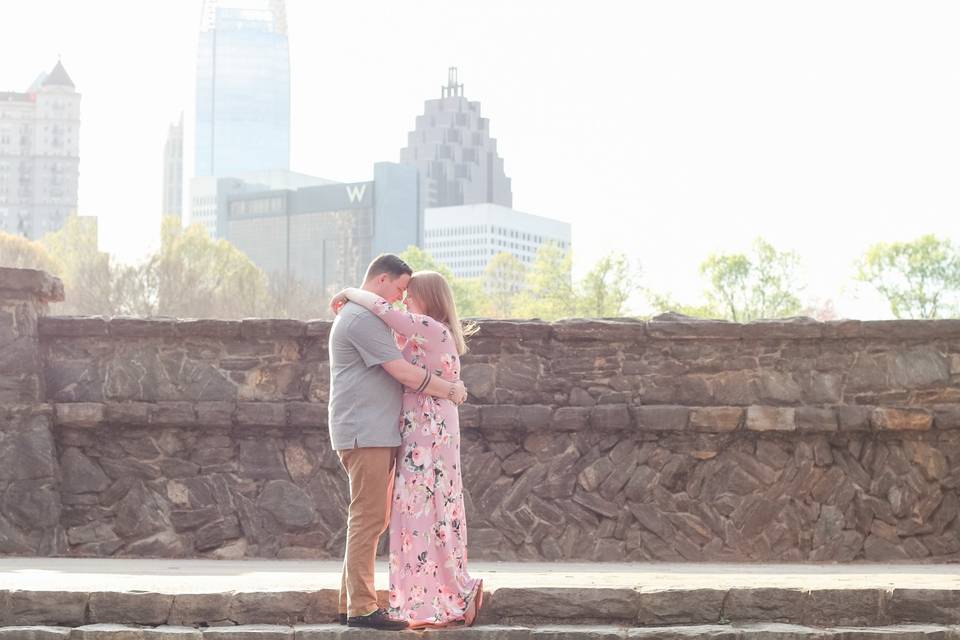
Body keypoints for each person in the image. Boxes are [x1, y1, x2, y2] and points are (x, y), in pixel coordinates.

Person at [331, 270, 484, 629]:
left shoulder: (429, 327)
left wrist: (350, 291)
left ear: (428, 297)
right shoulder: (421, 332)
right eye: (402, 291)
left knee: (419, 515)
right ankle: (410, 598)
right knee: (412, 516)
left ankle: (448, 594)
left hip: (428, 435)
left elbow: (387, 314)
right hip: (419, 432)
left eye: (409, 292)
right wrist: (450, 387)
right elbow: (395, 353)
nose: (403, 298)